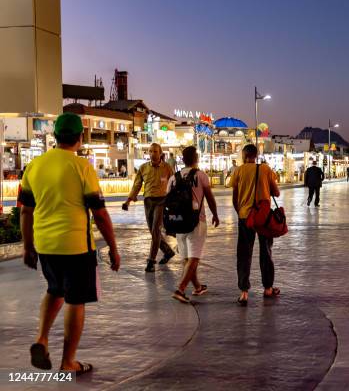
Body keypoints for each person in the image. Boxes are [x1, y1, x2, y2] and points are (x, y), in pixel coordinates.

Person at [19, 112, 120, 374]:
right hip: (75, 245)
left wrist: (27, 246)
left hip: (45, 245)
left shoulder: (35, 166)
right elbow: (99, 213)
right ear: (79, 137)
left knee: (55, 290)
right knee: (76, 300)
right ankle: (68, 362)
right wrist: (114, 247)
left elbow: (25, 211)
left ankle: (41, 338)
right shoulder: (82, 166)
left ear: (55, 136)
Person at [167, 147, 220, 303]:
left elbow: (168, 201)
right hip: (196, 221)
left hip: (178, 222)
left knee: (186, 258)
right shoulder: (201, 176)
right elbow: (209, 198)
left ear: (182, 160)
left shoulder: (173, 178)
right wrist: (215, 215)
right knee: (194, 258)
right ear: (196, 158)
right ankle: (180, 289)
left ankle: (197, 286)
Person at [231, 144, 281, 305]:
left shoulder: (238, 170)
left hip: (245, 217)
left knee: (244, 253)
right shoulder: (266, 169)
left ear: (244, 155)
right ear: (257, 155)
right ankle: (268, 288)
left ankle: (244, 292)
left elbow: (235, 198)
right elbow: (277, 192)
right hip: (264, 218)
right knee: (266, 251)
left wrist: (241, 213)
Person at [123, 143, 175, 272]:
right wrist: (129, 200)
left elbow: (174, 183)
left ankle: (151, 261)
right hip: (148, 201)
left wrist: (174, 202)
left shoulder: (167, 168)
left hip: (162, 202)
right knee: (153, 231)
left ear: (160, 153)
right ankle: (168, 251)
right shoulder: (143, 168)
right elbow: (137, 185)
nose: (152, 154)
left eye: (155, 151)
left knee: (156, 230)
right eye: (150, 151)